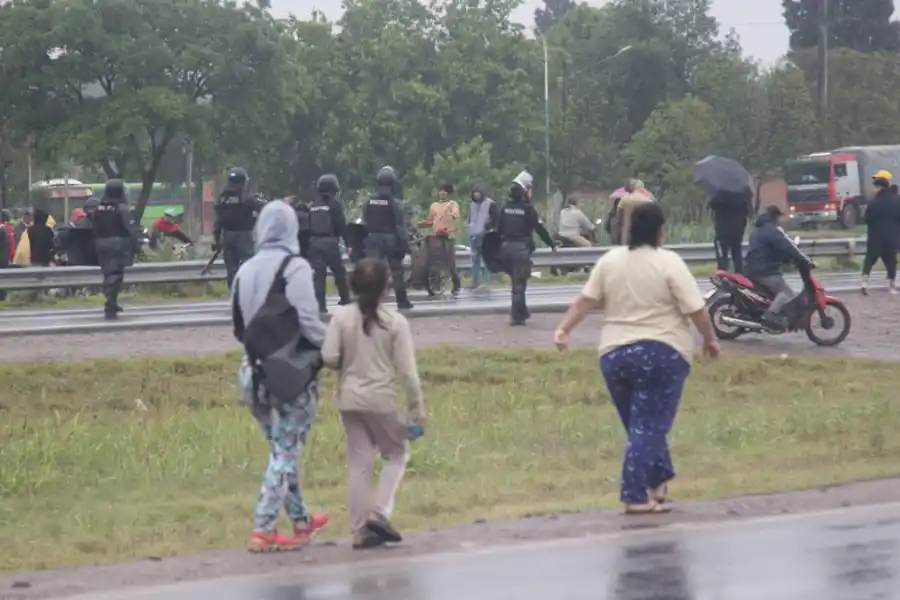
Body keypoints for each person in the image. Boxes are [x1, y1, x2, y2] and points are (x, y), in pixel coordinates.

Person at [553, 201, 720, 514]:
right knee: (649, 426)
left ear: (627, 229)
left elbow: (585, 301)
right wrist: (709, 340)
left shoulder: (610, 261)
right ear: (662, 231)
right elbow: (697, 310)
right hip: (663, 352)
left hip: (615, 355)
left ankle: (658, 482)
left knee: (640, 426)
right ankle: (635, 495)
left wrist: (564, 329)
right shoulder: (669, 262)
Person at [231, 199, 329, 553]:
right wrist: (334, 347)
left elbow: (239, 327)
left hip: (252, 371)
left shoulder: (244, 270)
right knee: (285, 453)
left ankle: (301, 520)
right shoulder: (295, 267)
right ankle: (264, 528)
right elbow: (309, 322)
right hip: (289, 377)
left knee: (281, 448)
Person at [322, 258, 425, 549]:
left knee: (359, 463)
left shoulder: (341, 317)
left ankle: (359, 530)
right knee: (397, 453)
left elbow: (328, 357)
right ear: (385, 287)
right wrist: (417, 408)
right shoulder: (395, 322)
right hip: (382, 399)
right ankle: (379, 513)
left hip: (349, 399)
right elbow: (407, 372)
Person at [497, 170, 557, 326]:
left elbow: (499, 230)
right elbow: (539, 228)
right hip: (521, 250)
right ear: (524, 192)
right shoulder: (527, 209)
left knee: (516, 282)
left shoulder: (505, 208)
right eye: (529, 190)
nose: (531, 193)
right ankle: (516, 316)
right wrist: (551, 244)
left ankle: (522, 311)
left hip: (506, 249)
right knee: (519, 285)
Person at [743, 205, 815, 329]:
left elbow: (770, 250)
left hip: (752, 268)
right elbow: (789, 247)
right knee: (787, 293)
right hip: (765, 271)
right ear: (775, 217)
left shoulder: (758, 230)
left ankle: (772, 311)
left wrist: (784, 259)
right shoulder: (774, 231)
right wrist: (805, 260)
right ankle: (770, 315)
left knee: (776, 293)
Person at [362, 166, 413, 310]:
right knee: (397, 271)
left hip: (373, 239)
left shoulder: (369, 202)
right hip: (390, 239)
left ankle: (369, 302)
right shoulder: (396, 203)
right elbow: (401, 227)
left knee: (371, 272)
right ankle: (402, 301)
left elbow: (364, 222)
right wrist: (405, 246)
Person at [92, 179, 139, 318]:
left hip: (101, 244)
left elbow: (94, 227)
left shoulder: (99, 208)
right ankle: (111, 302)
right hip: (118, 244)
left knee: (108, 272)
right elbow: (128, 228)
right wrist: (136, 245)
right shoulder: (122, 208)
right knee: (116, 274)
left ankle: (111, 300)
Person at [308, 173, 351, 312]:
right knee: (339, 272)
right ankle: (345, 299)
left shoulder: (314, 205)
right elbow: (341, 225)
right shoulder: (334, 204)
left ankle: (320, 306)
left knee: (319, 275)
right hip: (330, 243)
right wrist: (348, 243)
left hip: (314, 242)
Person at [214, 167, 260, 290]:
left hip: (227, 237)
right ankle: (247, 293)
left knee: (231, 270)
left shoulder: (222, 198)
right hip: (244, 236)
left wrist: (217, 241)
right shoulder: (246, 197)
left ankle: (234, 293)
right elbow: (263, 208)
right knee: (248, 266)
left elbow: (217, 222)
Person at [861, 170, 900, 295]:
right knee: (891, 262)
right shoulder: (897, 200)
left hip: (875, 237)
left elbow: (866, 219)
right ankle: (891, 286)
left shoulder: (874, 202)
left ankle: (864, 284)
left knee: (869, 260)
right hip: (891, 238)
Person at [420, 183, 461, 297]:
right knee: (435, 259)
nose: (442, 193)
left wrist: (452, 217)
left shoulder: (453, 204)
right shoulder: (434, 205)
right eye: (440, 190)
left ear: (449, 193)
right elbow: (430, 221)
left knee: (450, 261)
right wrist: (419, 224)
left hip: (449, 236)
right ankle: (435, 281)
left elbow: (455, 215)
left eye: (444, 191)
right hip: (437, 235)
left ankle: (456, 284)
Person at [709, 188, 753, 273]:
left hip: (722, 230)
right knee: (737, 254)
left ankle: (723, 274)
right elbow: (748, 212)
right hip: (737, 230)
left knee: (722, 256)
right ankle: (739, 274)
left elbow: (712, 205)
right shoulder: (743, 193)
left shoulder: (721, 193)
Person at [467, 185, 498, 290]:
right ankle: (475, 282)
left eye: (478, 194)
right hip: (473, 235)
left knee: (486, 260)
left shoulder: (490, 204)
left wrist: (488, 226)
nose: (476, 196)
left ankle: (486, 282)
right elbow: (470, 218)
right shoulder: (471, 205)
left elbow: (496, 218)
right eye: (474, 194)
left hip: (485, 235)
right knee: (475, 259)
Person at [615, 180, 653, 246]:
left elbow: (619, 215)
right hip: (644, 232)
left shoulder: (624, 200)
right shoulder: (648, 201)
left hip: (627, 231)